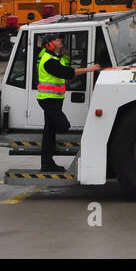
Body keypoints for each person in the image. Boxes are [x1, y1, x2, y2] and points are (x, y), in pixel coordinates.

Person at [36, 33, 101, 172]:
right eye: (57, 39)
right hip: (48, 100)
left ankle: (47, 164)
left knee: (49, 131)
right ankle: (47, 162)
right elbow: (67, 73)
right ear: (49, 44)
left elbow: (66, 68)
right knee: (63, 125)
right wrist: (90, 69)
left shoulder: (55, 57)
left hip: (55, 99)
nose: (60, 40)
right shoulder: (49, 61)